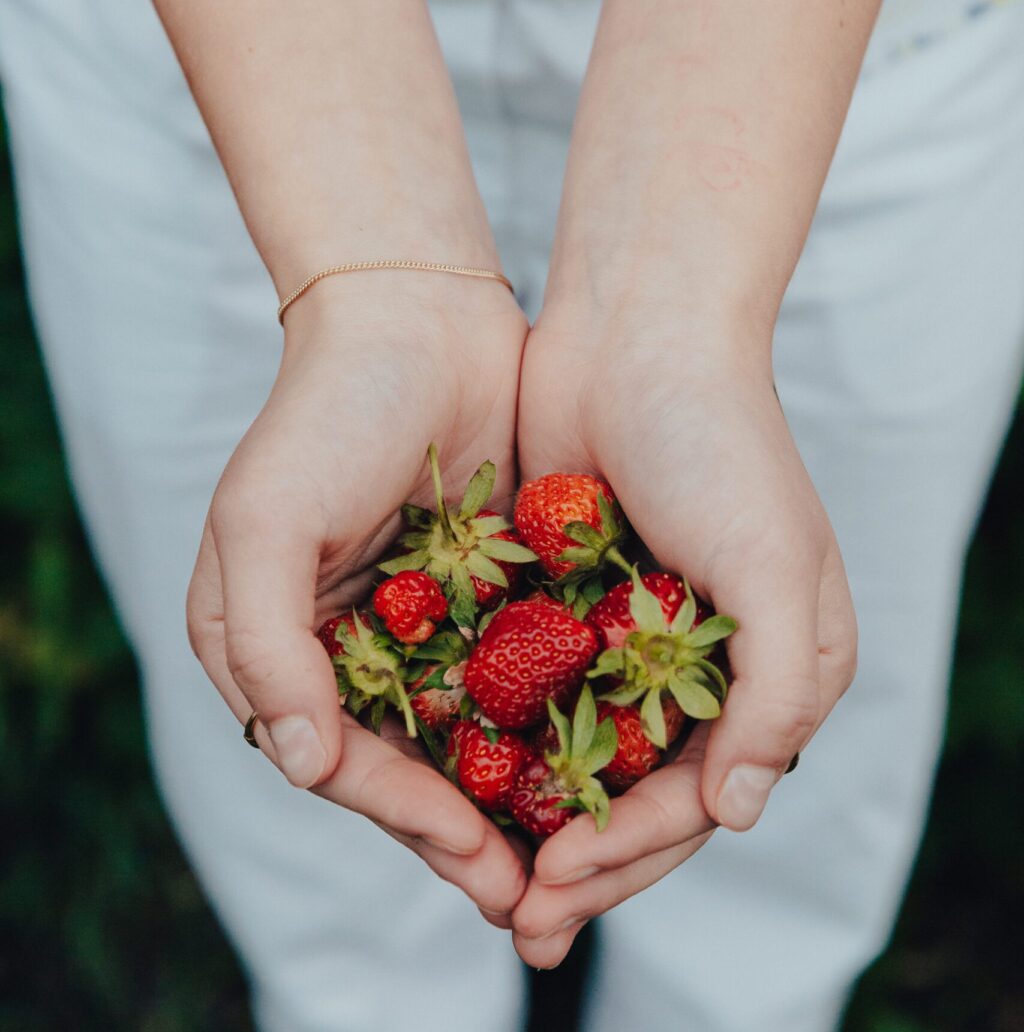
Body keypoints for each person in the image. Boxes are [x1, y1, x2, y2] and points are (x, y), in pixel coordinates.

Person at [2, 0, 1022, 1029]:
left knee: (776, 763)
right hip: (247, 69)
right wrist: (372, 304)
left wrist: (678, 320)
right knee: (312, 800)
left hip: (799, 81)